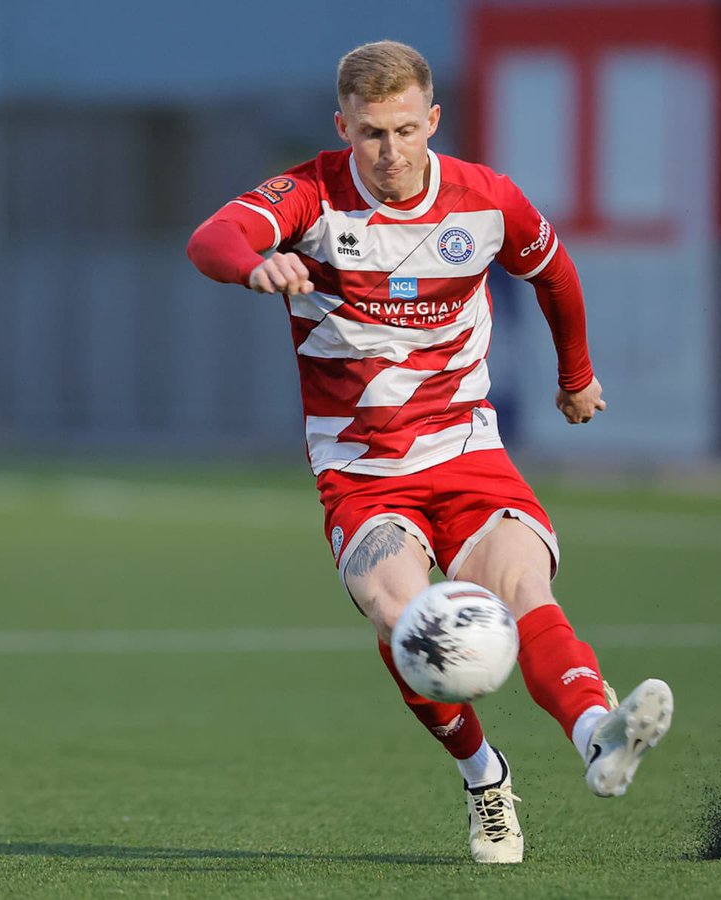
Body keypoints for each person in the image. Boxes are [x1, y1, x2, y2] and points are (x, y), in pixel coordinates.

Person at [186, 40, 672, 864]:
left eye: (406, 130)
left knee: (523, 584)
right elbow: (212, 237)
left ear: (433, 120)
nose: (390, 152)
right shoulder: (307, 197)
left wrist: (577, 376)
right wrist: (255, 264)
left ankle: (598, 733)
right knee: (404, 615)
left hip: (465, 451)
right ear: (343, 126)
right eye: (371, 133)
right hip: (361, 472)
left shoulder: (486, 201)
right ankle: (485, 778)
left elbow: (553, 272)